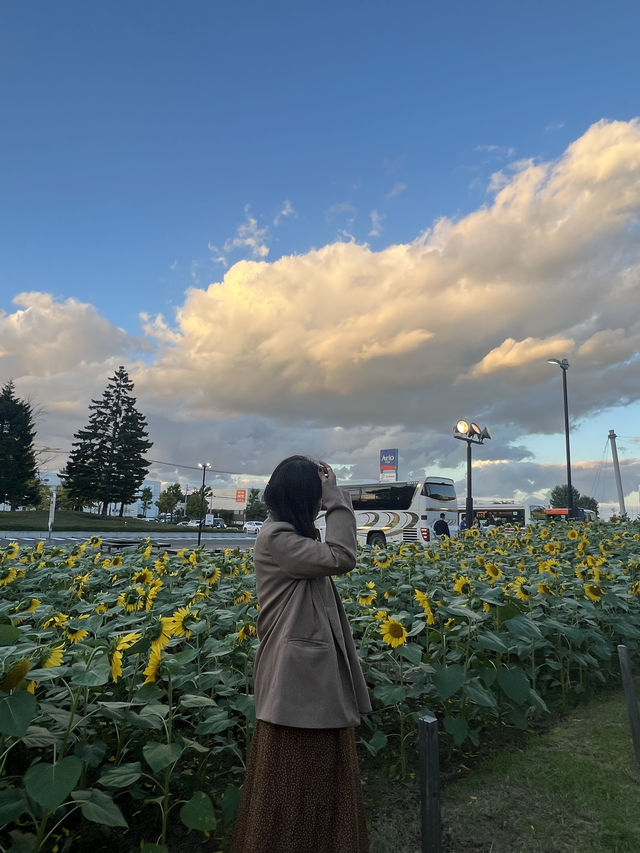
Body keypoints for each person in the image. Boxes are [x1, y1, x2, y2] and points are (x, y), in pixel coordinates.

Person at [232, 455, 371, 853]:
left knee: (319, 773)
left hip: (308, 674)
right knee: (297, 774)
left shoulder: (293, 536)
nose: (318, 505)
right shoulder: (278, 538)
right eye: (314, 498)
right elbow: (343, 556)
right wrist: (337, 500)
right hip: (296, 678)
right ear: (302, 498)